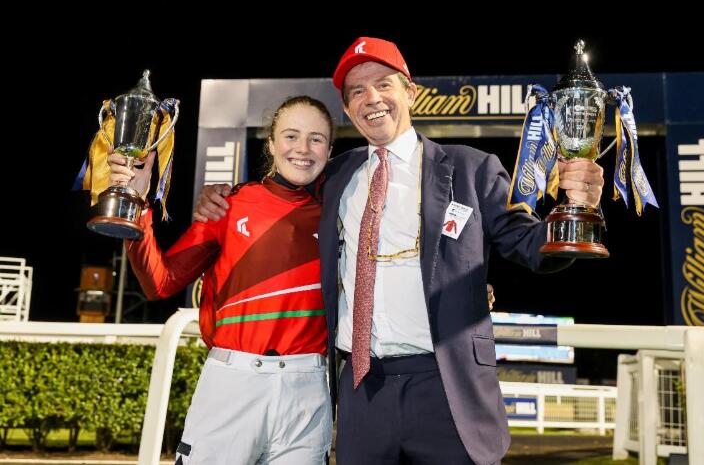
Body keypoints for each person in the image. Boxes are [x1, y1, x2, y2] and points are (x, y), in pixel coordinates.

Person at [194, 37, 604, 465]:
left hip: (448, 388)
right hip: (362, 389)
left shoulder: (471, 167)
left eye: (384, 84)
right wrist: (223, 196)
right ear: (349, 110)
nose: (371, 98)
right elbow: (279, 194)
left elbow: (529, 246)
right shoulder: (335, 176)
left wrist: (574, 211)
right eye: (356, 91)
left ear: (410, 92)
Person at [110, 96, 335, 464]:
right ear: (271, 143)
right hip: (231, 384)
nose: (303, 149)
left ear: (329, 148)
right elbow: (160, 283)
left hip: (307, 391)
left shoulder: (341, 215)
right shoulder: (229, 205)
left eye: (316, 138)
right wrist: (136, 201)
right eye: (291, 136)